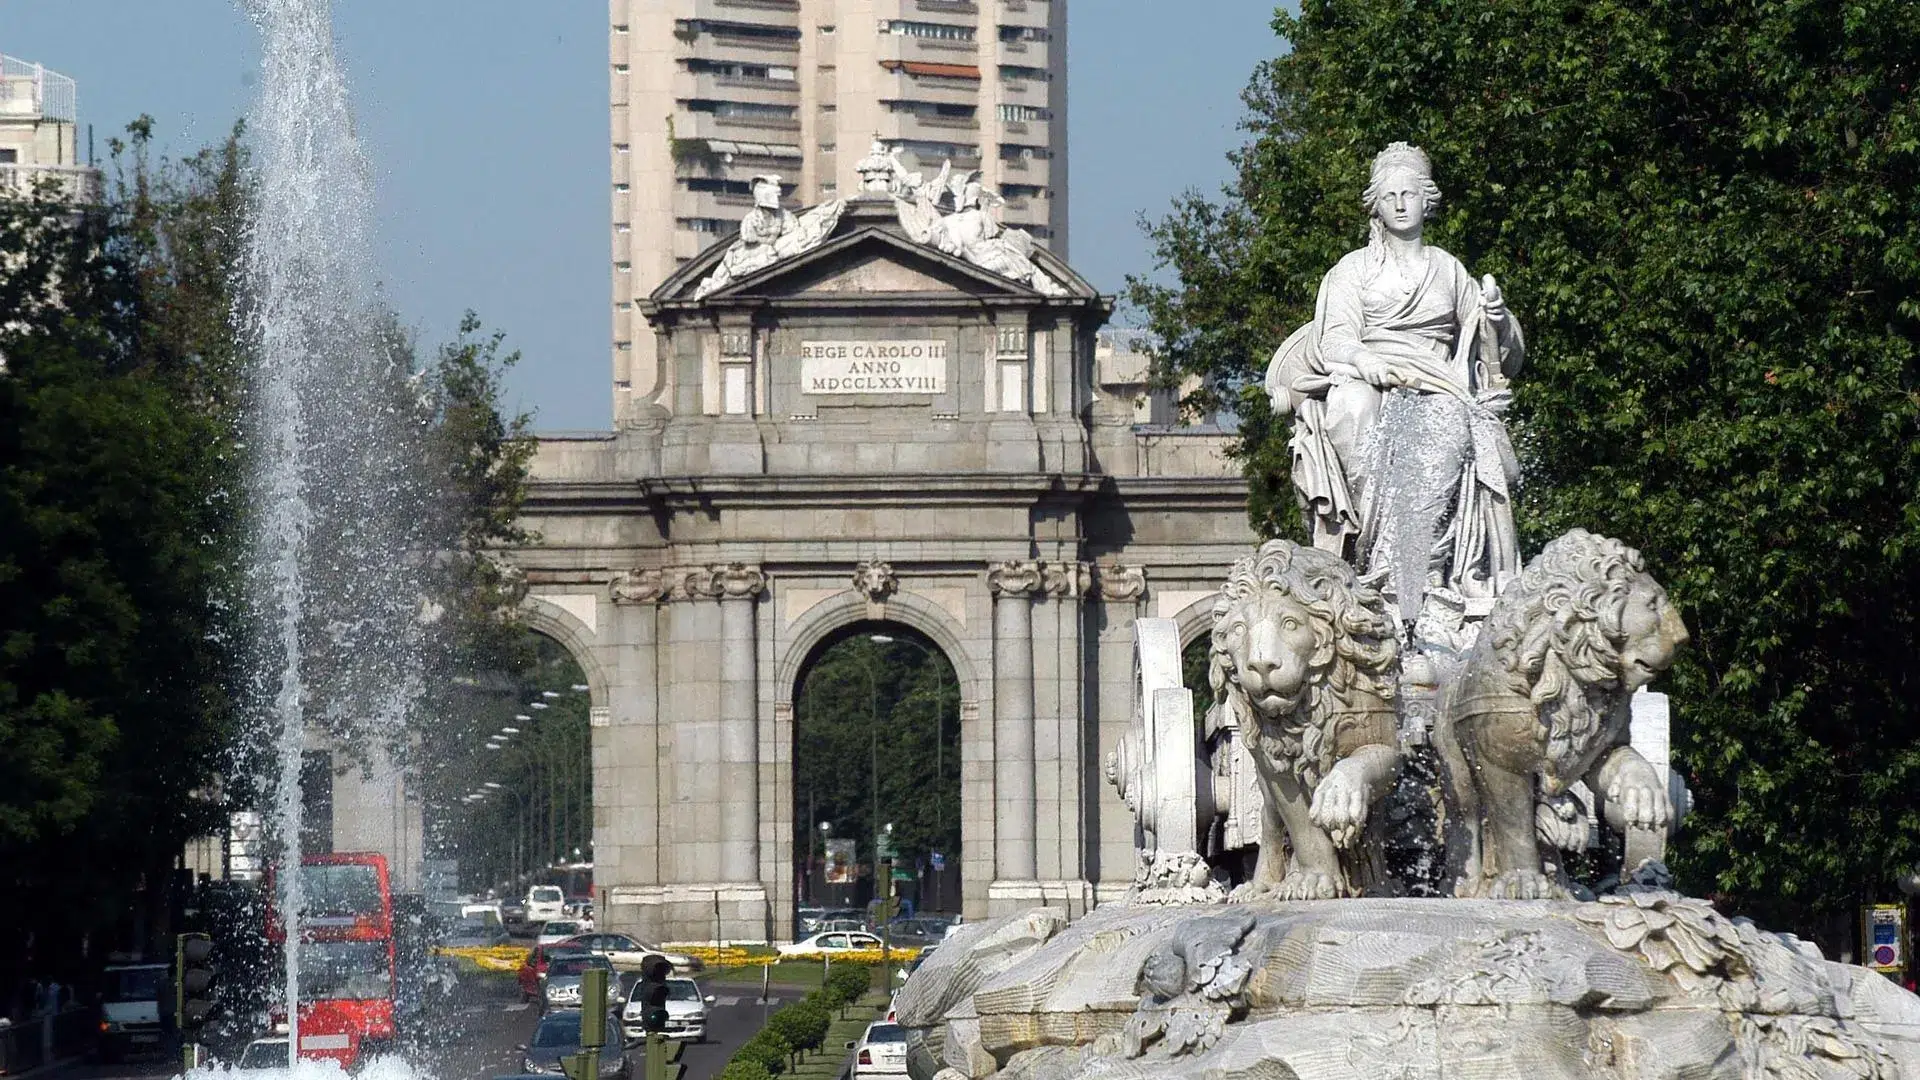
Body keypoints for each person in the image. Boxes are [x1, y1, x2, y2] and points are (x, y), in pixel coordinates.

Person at [1266, 142, 1525, 627]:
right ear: (1377, 206)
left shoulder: (1449, 269)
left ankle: (1420, 565)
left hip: (1437, 382)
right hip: (1368, 374)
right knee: (1351, 406)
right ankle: (1373, 552)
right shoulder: (1352, 270)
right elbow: (1334, 339)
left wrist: (1497, 318)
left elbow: (1496, 352)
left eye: (1410, 194)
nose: (1401, 204)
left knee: (1451, 422)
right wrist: (1365, 360)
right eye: (1391, 196)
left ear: (1427, 201)